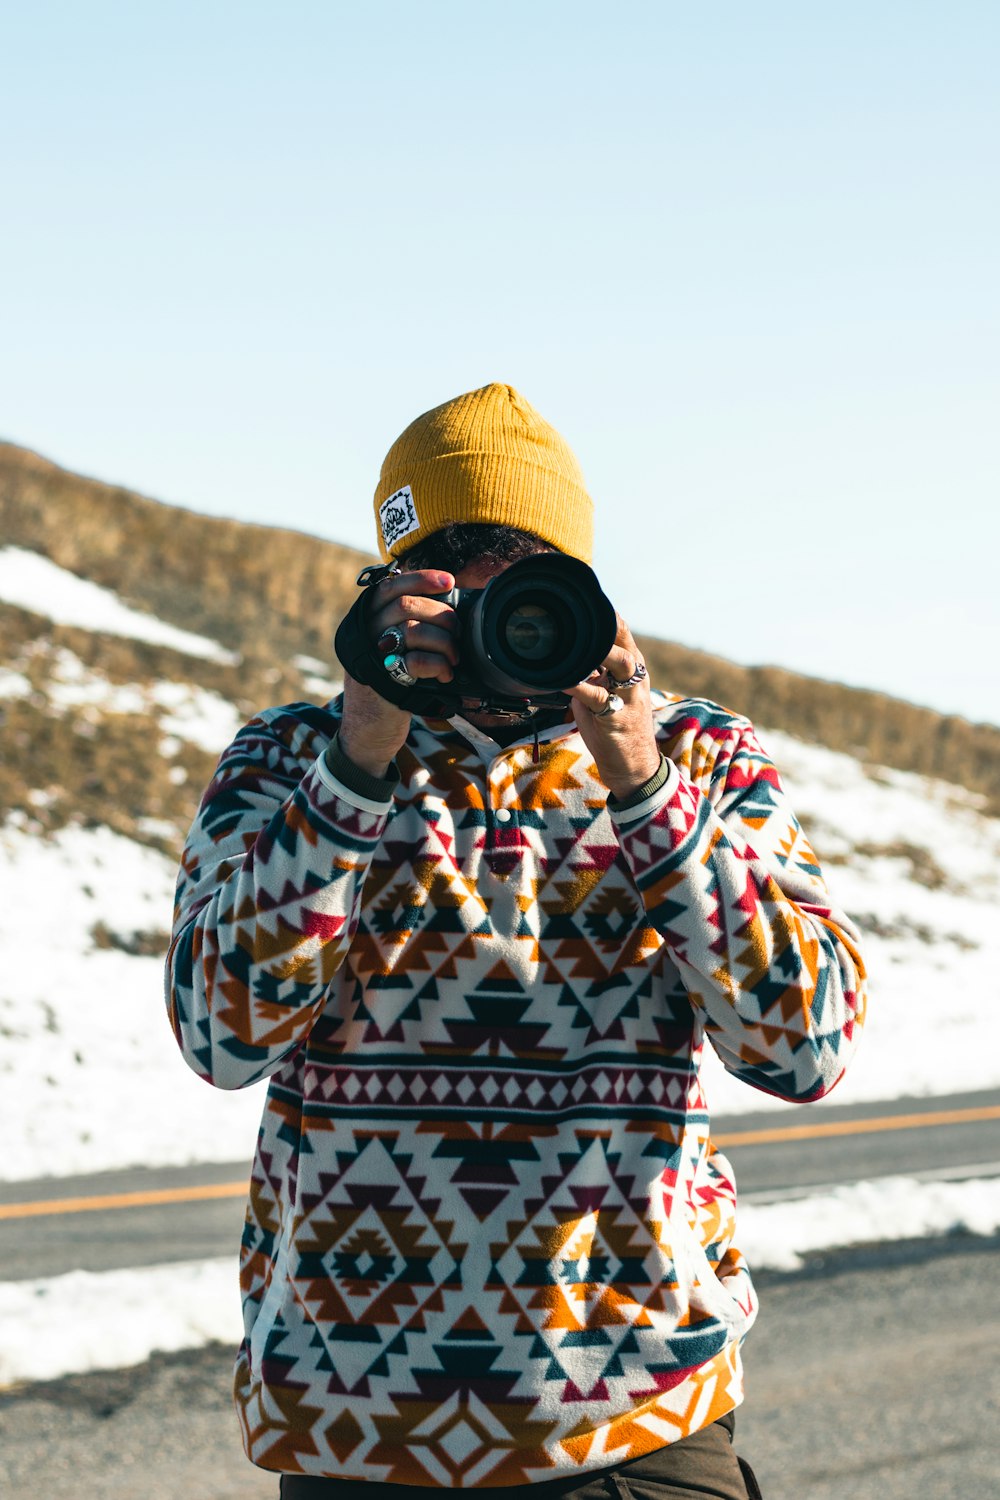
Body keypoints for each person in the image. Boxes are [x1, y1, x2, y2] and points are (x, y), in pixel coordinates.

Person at [166, 383, 867, 1497]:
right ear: (390, 590)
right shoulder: (293, 758)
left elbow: (804, 1044)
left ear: (581, 586)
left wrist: (643, 785)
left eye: (523, 568)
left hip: (636, 1416)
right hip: (355, 1434)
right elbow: (220, 1034)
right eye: (453, 567)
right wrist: (356, 762)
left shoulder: (695, 754)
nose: (493, 606)